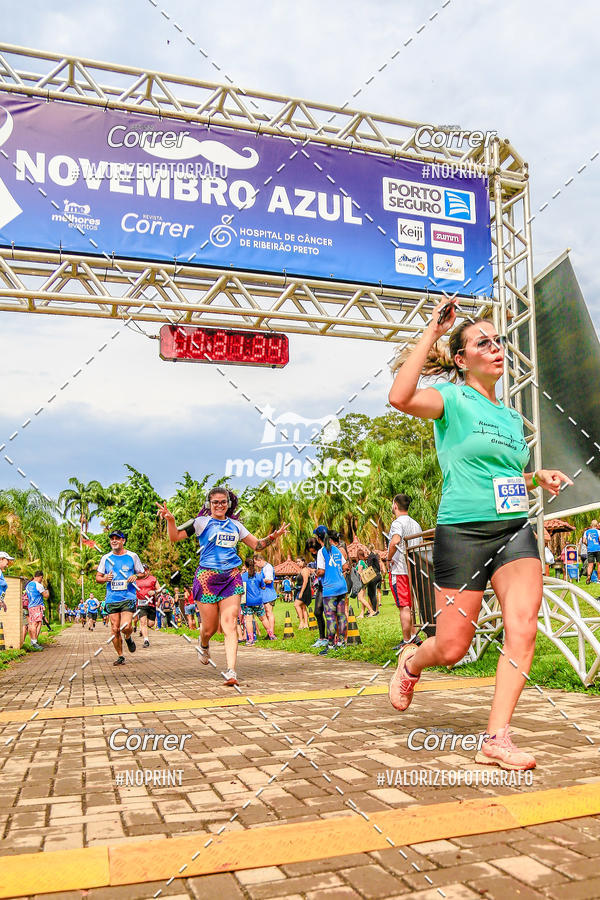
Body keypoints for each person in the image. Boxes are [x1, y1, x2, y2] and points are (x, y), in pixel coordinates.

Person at [387, 300, 572, 770]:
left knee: (523, 626)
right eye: (482, 342)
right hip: (463, 533)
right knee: (452, 649)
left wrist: (536, 478)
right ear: (460, 358)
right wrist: (431, 330)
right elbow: (400, 397)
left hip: (513, 531)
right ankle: (412, 662)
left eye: (499, 342)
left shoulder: (511, 419)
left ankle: (497, 737)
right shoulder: (450, 400)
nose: (496, 348)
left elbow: (505, 476)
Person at [158, 486, 287, 686]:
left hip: (231, 577)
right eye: (215, 502)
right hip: (206, 579)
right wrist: (170, 520)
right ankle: (204, 644)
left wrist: (273, 536)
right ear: (209, 504)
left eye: (223, 502)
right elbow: (174, 537)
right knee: (209, 628)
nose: (219, 505)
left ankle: (231, 671)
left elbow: (256, 545)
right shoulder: (200, 522)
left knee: (230, 623)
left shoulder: (236, 526)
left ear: (228, 504)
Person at [96, 530, 144, 666]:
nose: (114, 541)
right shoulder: (105, 558)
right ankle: (121, 655)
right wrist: (105, 578)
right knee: (114, 629)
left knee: (126, 626)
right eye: (112, 539)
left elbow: (141, 573)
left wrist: (135, 576)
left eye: (117, 538)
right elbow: (98, 577)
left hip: (128, 596)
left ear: (123, 541)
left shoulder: (132, 556)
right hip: (112, 598)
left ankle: (128, 637)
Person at [387, 494, 423, 645]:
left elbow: (395, 541)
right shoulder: (416, 524)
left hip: (400, 570)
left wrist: (389, 558)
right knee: (411, 605)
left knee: (404, 606)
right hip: (412, 570)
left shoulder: (397, 523)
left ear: (395, 505)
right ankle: (414, 635)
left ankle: (407, 640)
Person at [314, 525, 349, 655]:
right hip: (342, 586)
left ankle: (330, 645)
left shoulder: (321, 551)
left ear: (318, 538)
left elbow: (321, 571)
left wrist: (316, 572)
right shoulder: (336, 549)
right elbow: (345, 566)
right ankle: (341, 642)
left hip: (330, 589)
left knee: (330, 617)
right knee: (341, 615)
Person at [241, 557, 271, 645]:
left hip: (247, 602)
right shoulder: (258, 575)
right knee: (263, 618)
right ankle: (271, 635)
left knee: (249, 621)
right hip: (258, 601)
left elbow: (241, 589)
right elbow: (263, 587)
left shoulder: (243, 576)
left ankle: (250, 640)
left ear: (245, 565)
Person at [306, 538, 327, 648]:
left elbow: (323, 570)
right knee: (317, 612)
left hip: (327, 585)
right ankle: (322, 637)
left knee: (329, 613)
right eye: (311, 551)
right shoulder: (316, 556)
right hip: (320, 585)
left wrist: (314, 571)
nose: (313, 553)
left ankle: (330, 637)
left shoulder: (323, 552)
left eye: (314, 550)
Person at [25, 571, 49, 651]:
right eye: (42, 578)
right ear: (40, 577)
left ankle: (33, 641)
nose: (42, 580)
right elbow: (46, 595)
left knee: (31, 623)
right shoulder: (38, 585)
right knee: (37, 624)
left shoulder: (28, 585)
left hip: (30, 606)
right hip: (37, 607)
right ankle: (34, 642)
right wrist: (46, 590)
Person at [136, 564, 159, 647]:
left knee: (151, 624)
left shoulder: (153, 579)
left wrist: (155, 592)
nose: (144, 571)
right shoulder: (136, 580)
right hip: (140, 604)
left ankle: (142, 629)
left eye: (145, 570)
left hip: (151, 604)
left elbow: (159, 589)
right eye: (142, 570)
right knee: (143, 622)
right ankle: (146, 640)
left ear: (148, 570)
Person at [255, 556, 277, 639]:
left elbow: (269, 580)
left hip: (269, 594)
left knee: (269, 613)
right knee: (265, 614)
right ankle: (270, 633)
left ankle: (272, 633)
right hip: (264, 595)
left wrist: (258, 579)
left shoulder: (268, 567)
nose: (256, 565)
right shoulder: (263, 568)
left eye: (256, 562)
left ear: (260, 560)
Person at [293, 557, 311, 629]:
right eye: (296, 562)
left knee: (296, 605)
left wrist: (301, 592)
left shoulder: (305, 570)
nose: (297, 563)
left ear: (303, 561)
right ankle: (306, 623)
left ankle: (301, 622)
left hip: (304, 590)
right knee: (303, 607)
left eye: (299, 561)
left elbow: (305, 582)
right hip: (299, 589)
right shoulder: (301, 570)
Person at [366, 544, 383, 613]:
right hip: (378, 575)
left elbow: (369, 567)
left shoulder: (370, 556)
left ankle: (374, 611)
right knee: (373, 593)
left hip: (374, 576)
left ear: (368, 549)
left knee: (371, 593)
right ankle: (375, 610)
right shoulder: (375, 555)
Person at [583, 520, 600, 584]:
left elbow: (584, 541)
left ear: (591, 525)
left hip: (590, 549)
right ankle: (599, 579)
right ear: (597, 525)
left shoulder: (586, 532)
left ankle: (589, 577)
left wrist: (588, 545)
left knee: (590, 564)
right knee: (599, 564)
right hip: (598, 548)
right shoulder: (598, 531)